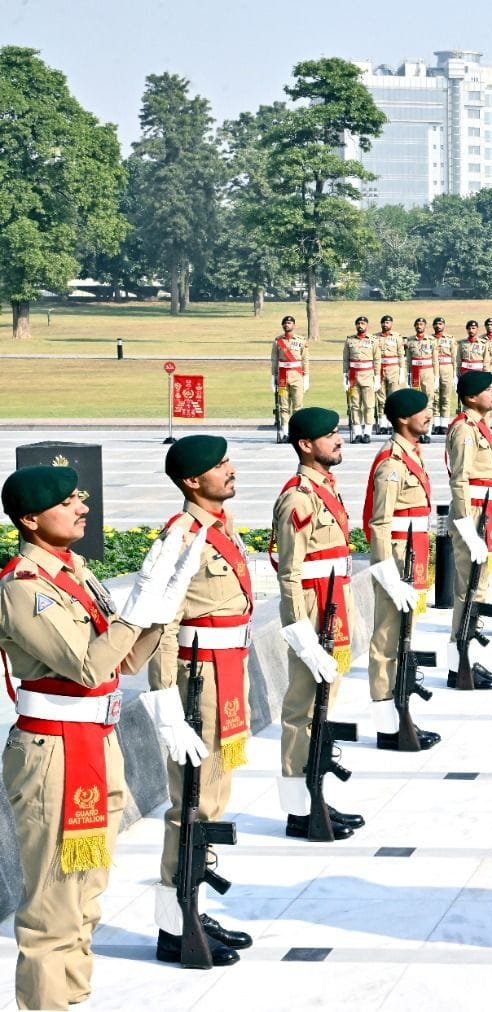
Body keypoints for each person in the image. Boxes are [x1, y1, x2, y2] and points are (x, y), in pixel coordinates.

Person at [1, 465, 189, 1009]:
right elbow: (86, 666)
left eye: (79, 498)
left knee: (86, 894)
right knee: (52, 907)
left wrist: (158, 612)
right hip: (54, 750)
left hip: (95, 740)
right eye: (66, 502)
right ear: (30, 519)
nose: (82, 508)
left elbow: (123, 663)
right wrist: (137, 608)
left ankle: (74, 997)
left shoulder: (75, 574)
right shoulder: (24, 588)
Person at [148, 436, 257, 966]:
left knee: (212, 799)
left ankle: (193, 908)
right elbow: (161, 624)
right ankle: (176, 927)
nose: (230, 469)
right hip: (199, 683)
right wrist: (166, 701)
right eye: (218, 465)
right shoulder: (181, 536)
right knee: (192, 806)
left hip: (227, 672)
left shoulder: (220, 527)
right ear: (192, 482)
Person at [272, 408, 366, 838]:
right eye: (329, 435)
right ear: (306, 445)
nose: (339, 439)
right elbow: (289, 572)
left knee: (323, 708)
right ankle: (300, 810)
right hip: (312, 611)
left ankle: (317, 798)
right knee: (304, 711)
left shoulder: (327, 486)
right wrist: (300, 633)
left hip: (334, 605)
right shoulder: (298, 498)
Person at [363, 389, 443, 748]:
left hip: (412, 556)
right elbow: (379, 523)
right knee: (387, 641)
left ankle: (402, 715)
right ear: (402, 419)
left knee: (402, 639)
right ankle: (388, 726)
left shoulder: (412, 453)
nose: (428, 415)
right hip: (396, 560)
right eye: (420, 411)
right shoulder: (392, 464)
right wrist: (387, 573)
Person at [445, 372, 492, 691]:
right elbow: (460, 479)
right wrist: (466, 525)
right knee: (468, 592)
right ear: (470, 397)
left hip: (486, 512)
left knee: (479, 590)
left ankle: (469, 658)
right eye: (487, 390)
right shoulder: (465, 430)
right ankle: (458, 663)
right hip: (473, 514)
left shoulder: (480, 426)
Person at [270, 315, 308, 444]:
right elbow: (274, 360)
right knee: (283, 406)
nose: (287, 325)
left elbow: (305, 360)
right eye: (285, 323)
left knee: (298, 406)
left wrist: (306, 377)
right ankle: (285, 433)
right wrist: (273, 377)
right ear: (282, 325)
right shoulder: (278, 341)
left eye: (290, 323)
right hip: (282, 377)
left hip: (297, 376)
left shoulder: (301, 341)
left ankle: (296, 433)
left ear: (294, 325)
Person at [342, 316, 378, 443]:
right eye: (358, 323)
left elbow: (377, 359)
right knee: (355, 405)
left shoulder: (373, 340)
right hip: (353, 377)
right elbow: (346, 360)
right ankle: (357, 433)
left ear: (367, 325)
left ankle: (367, 433)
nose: (360, 325)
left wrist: (377, 377)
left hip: (368, 376)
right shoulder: (349, 340)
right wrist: (344, 376)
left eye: (363, 323)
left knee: (369, 405)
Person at [405, 317, 439, 444]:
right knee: (416, 402)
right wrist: (408, 375)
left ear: (425, 326)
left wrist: (436, 377)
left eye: (422, 324)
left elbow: (435, 360)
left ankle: (427, 432)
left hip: (427, 372)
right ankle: (417, 431)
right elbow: (408, 360)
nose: (419, 326)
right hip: (415, 373)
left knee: (429, 401)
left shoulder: (431, 341)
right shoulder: (410, 341)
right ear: (415, 326)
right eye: (417, 324)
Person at [374, 315, 404, 434]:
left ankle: (392, 423)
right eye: (384, 322)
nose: (385, 324)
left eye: (388, 322)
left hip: (393, 369)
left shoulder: (397, 337)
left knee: (393, 397)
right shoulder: (375, 337)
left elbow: (401, 354)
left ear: (391, 324)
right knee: (381, 397)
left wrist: (402, 370)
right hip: (380, 369)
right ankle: (383, 424)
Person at [429, 317, 454, 430]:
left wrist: (455, 373)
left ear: (444, 325)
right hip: (432, 369)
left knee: (445, 396)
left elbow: (454, 357)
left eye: (440, 324)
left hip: (446, 368)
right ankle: (436, 423)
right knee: (434, 396)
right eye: (436, 324)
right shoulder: (429, 339)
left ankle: (444, 423)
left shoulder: (450, 339)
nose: (438, 326)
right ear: (433, 326)